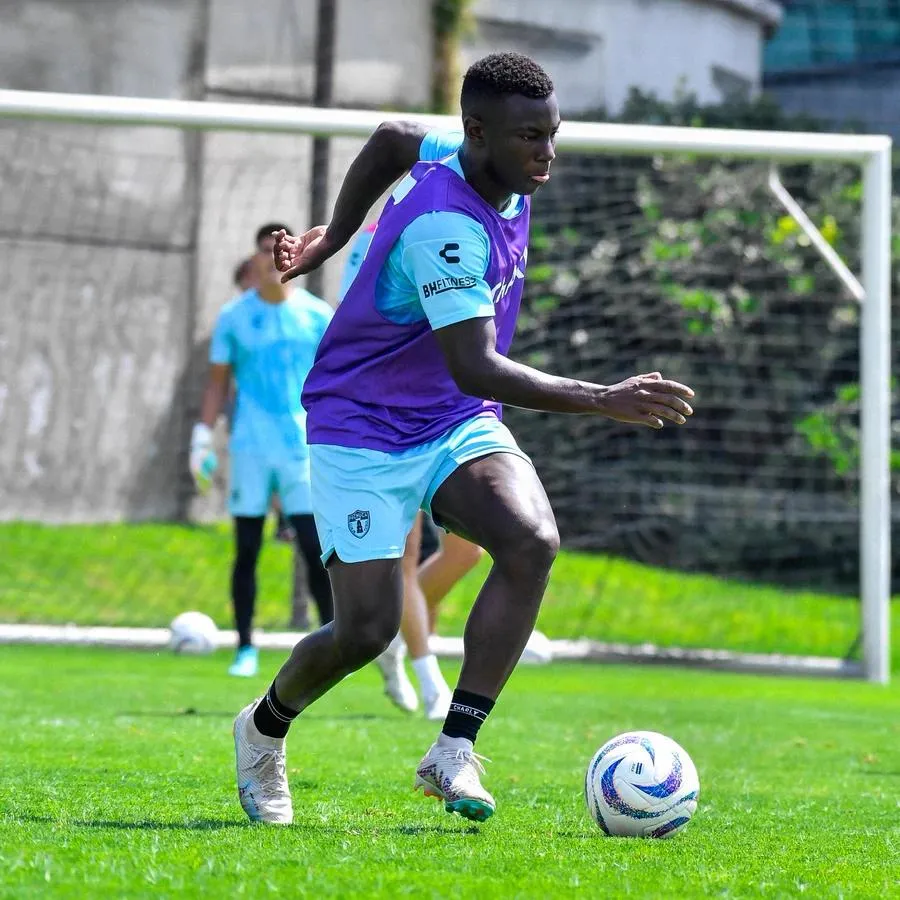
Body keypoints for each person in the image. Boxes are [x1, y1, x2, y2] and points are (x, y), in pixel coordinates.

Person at [233, 52, 694, 825]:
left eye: (552, 134)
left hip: (448, 420)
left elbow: (388, 138)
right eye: (529, 138)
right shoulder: (446, 228)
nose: (545, 154)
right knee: (366, 630)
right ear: (479, 134)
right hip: (362, 427)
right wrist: (604, 398)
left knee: (530, 539)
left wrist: (328, 243)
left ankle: (452, 751)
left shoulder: (473, 156)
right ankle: (262, 727)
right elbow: (476, 365)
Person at [191, 223, 335, 678]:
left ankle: (333, 641)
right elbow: (217, 382)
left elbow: (336, 377)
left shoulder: (317, 315)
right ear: (255, 261)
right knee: (247, 547)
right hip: (250, 445)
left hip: (301, 447)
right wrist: (201, 434)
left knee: (314, 547)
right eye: (264, 253)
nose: (273, 259)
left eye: (282, 250)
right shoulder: (234, 316)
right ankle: (245, 647)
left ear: (294, 257)